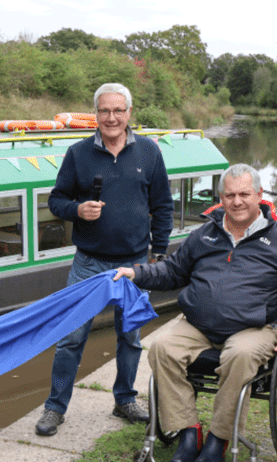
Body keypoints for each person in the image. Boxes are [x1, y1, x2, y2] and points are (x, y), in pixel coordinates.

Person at [113, 164, 277, 462]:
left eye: (244, 194)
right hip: (198, 325)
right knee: (161, 347)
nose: (237, 202)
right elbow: (173, 271)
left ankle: (219, 439)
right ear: (220, 198)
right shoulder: (204, 235)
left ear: (259, 195)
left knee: (241, 354)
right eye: (230, 195)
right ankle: (188, 431)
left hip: (256, 327)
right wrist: (135, 273)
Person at [35, 82, 174, 436]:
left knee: (130, 336)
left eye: (118, 110)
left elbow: (162, 206)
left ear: (129, 113)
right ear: (95, 115)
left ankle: (125, 399)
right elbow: (55, 201)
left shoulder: (149, 152)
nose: (111, 117)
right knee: (70, 337)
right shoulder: (78, 153)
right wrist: (77, 209)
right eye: (104, 111)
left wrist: (158, 253)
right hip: (88, 264)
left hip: (132, 263)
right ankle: (55, 408)